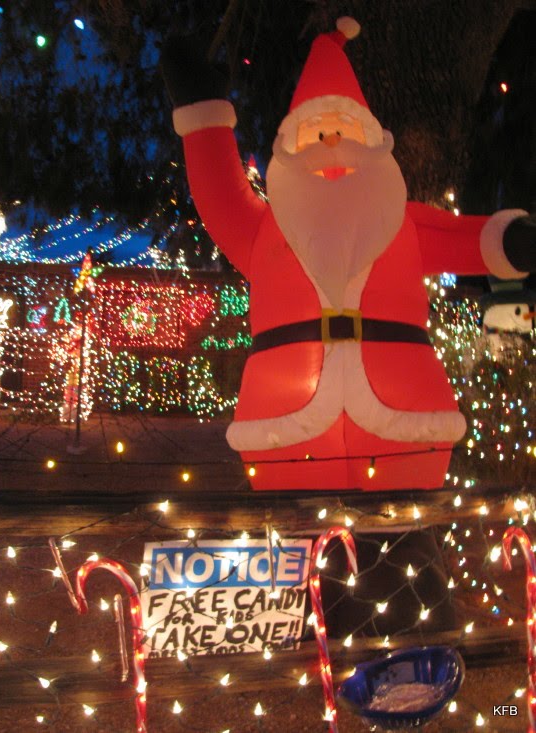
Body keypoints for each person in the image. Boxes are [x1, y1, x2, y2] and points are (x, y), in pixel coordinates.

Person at [162, 17, 536, 491]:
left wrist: (514, 241)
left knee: (402, 526)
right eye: (315, 133)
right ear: (289, 147)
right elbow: (219, 194)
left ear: (374, 143)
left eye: (346, 131)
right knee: (299, 525)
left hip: (405, 421)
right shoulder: (263, 230)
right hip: (285, 425)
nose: (332, 143)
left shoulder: (402, 223)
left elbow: (468, 239)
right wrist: (204, 114)